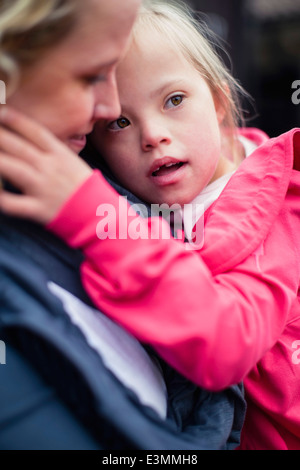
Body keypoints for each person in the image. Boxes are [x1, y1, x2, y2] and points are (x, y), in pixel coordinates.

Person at [0, 0, 246, 451]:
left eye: (175, 100)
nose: (108, 107)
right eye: (91, 75)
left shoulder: (269, 199)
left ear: (219, 100)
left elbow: (225, 344)